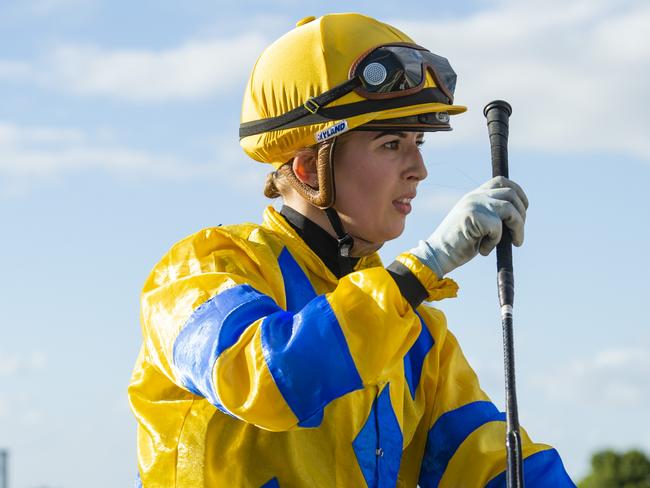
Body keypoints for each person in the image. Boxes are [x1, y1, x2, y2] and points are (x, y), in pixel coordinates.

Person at [128, 12, 575, 487]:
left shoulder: (418, 335)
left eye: (419, 141)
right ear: (309, 170)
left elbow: (490, 463)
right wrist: (426, 265)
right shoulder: (201, 269)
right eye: (391, 144)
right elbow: (275, 379)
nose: (419, 168)